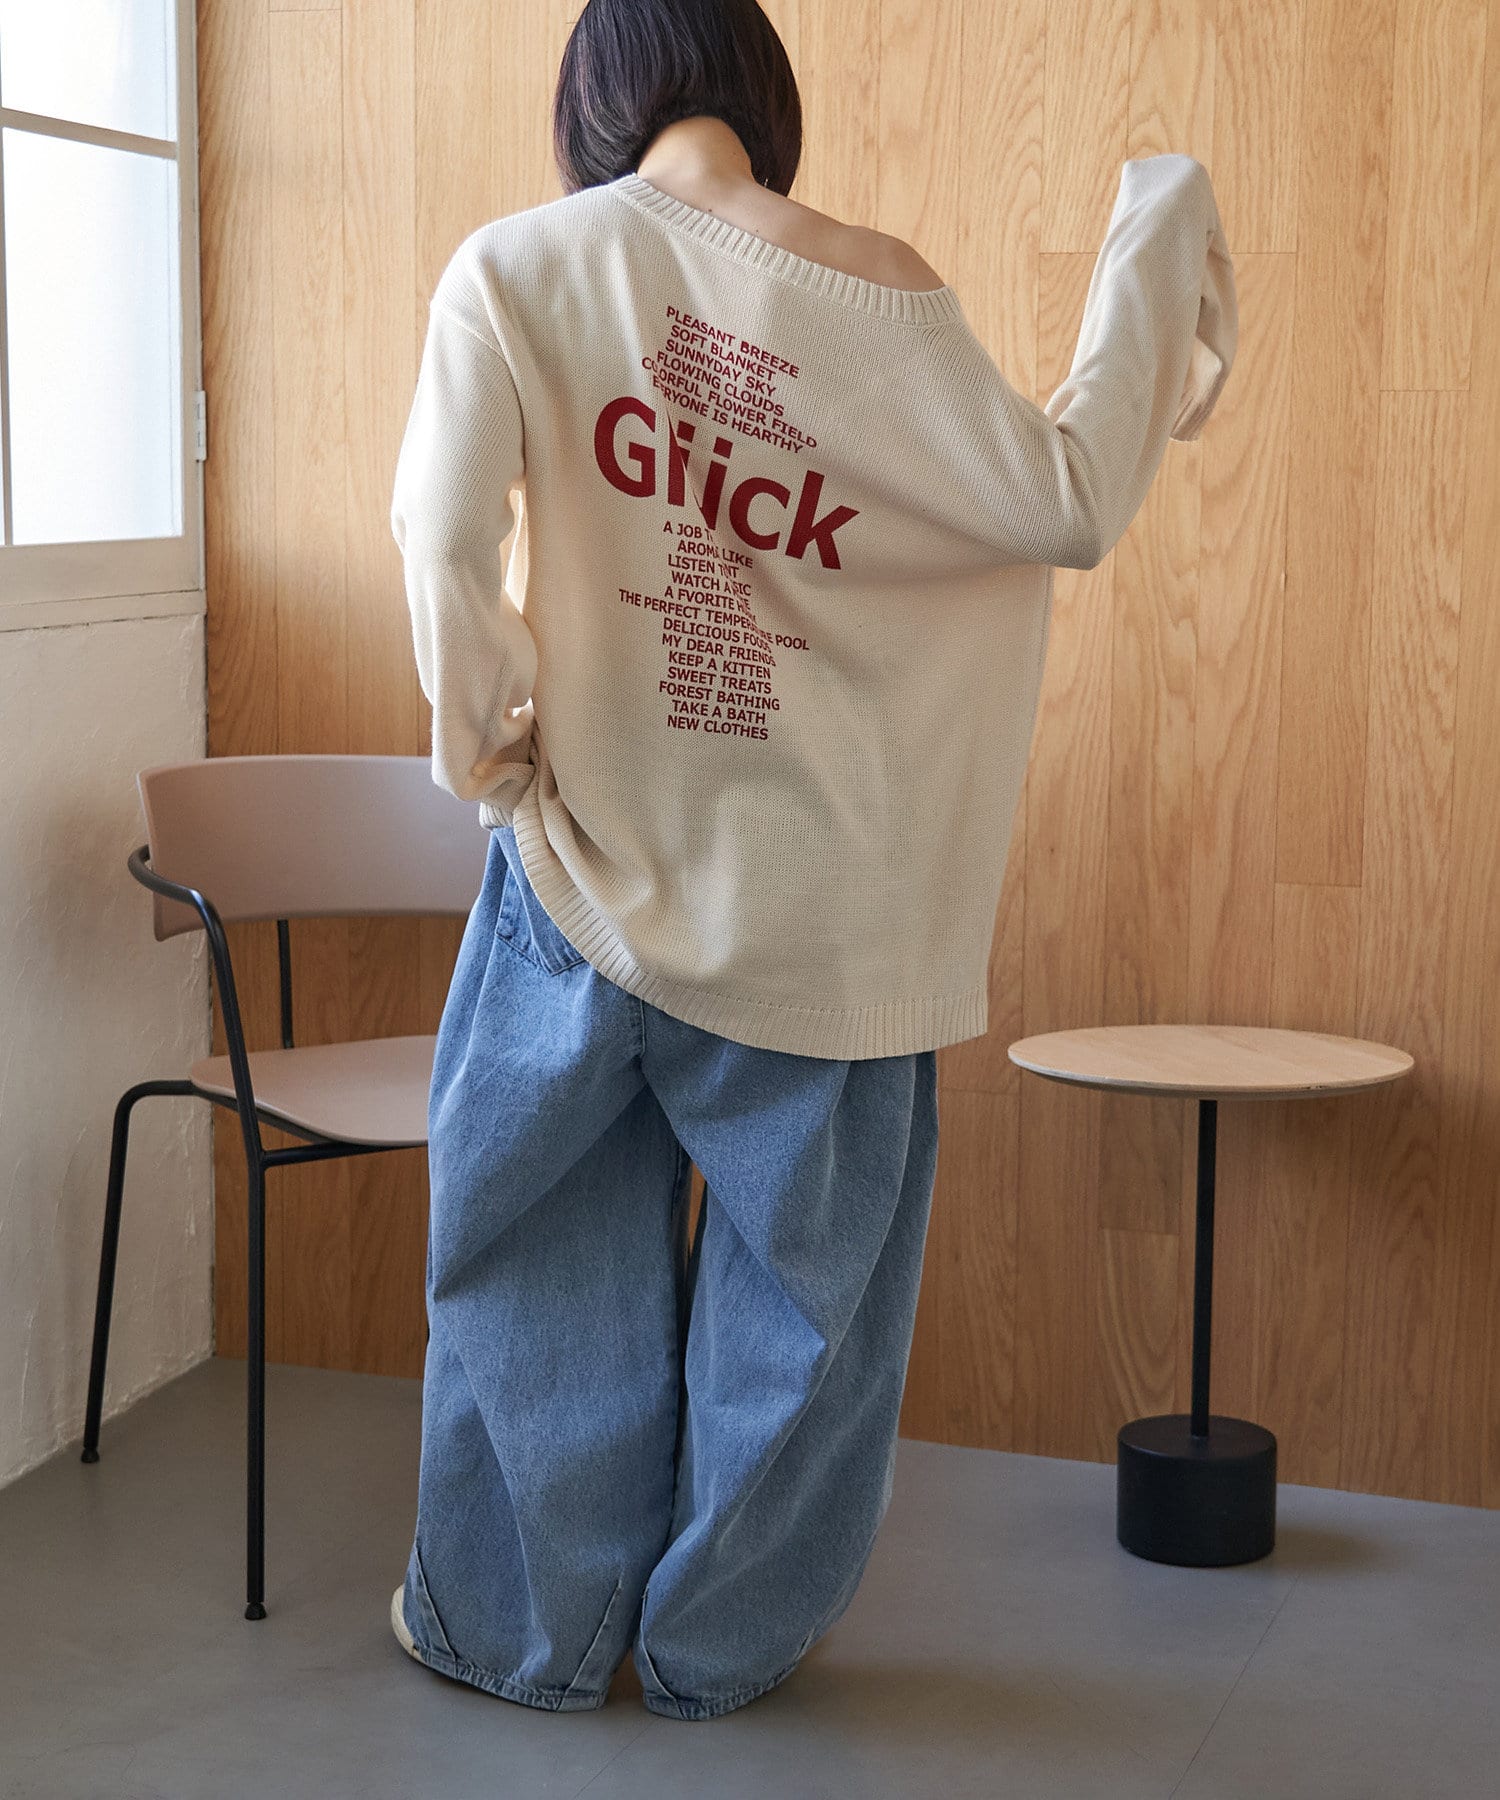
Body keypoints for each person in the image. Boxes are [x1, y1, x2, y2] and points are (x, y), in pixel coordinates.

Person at [388, 0, 1237, 1723]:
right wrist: (1162, 235)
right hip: (822, 919)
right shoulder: (881, 289)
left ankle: (521, 1638)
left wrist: (492, 762)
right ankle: (715, 1657)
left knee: (526, 1278)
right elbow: (1065, 501)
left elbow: (439, 538)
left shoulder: (519, 271)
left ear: (591, 105)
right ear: (765, 97)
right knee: (804, 1329)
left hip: (577, 884)